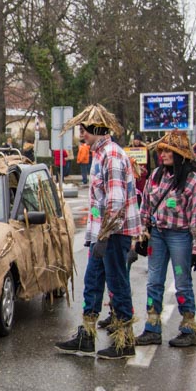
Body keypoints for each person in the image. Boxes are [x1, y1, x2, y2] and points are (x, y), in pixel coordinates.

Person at [55, 104, 142, 359]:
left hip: (113, 234)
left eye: (84, 129)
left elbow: (115, 202)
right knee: (92, 282)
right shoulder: (99, 154)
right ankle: (87, 335)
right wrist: (96, 236)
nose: (81, 133)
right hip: (101, 234)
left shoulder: (111, 156)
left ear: (97, 129)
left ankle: (124, 340)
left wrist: (104, 236)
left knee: (117, 283)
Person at [135, 131, 196, 348]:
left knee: (182, 282)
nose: (163, 154)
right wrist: (143, 234)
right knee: (154, 281)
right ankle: (152, 328)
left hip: (180, 237)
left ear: (180, 154)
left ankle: (188, 329)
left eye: (168, 151)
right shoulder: (156, 175)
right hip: (157, 235)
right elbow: (145, 206)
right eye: (162, 151)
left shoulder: (192, 181)